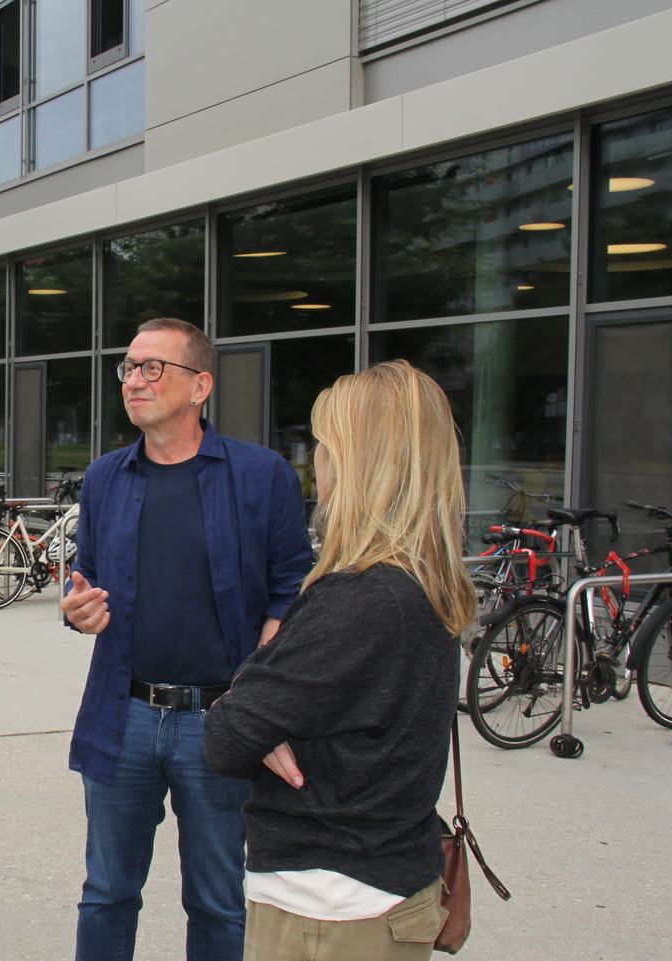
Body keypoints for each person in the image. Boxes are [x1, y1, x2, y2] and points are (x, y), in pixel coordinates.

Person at [203, 360, 477, 961]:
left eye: (322, 446)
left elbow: (225, 738)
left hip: (329, 903)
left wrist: (248, 703)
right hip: (385, 881)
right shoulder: (421, 581)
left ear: (357, 463)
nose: (315, 463)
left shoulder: (359, 598)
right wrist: (263, 710)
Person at [61, 317, 312, 961]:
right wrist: (77, 610)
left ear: (200, 386)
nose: (134, 380)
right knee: (107, 892)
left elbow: (292, 588)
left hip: (222, 720)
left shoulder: (262, 476)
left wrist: (260, 697)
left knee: (218, 900)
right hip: (125, 716)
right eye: (129, 368)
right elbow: (82, 581)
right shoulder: (104, 479)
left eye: (153, 368)